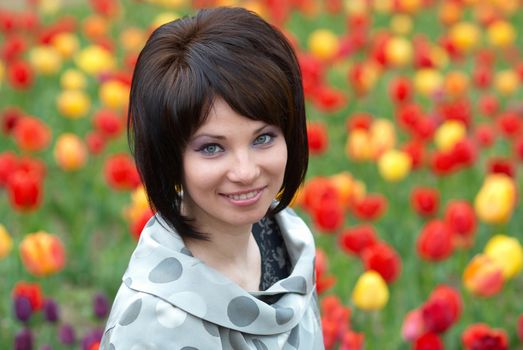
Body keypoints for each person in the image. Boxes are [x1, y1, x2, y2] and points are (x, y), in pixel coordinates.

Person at [100, 6, 324, 349]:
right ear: (169, 156)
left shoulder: (287, 244)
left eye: (263, 138)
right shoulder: (153, 323)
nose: (246, 171)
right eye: (211, 148)